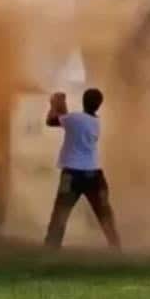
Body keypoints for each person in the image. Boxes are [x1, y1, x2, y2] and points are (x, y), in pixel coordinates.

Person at [43, 88, 122, 250]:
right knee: (104, 214)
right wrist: (62, 105)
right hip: (94, 174)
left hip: (72, 175)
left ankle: (51, 248)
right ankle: (116, 247)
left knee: (60, 213)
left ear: (83, 100)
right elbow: (68, 121)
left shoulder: (75, 119)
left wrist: (54, 103)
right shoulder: (93, 122)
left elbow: (51, 121)